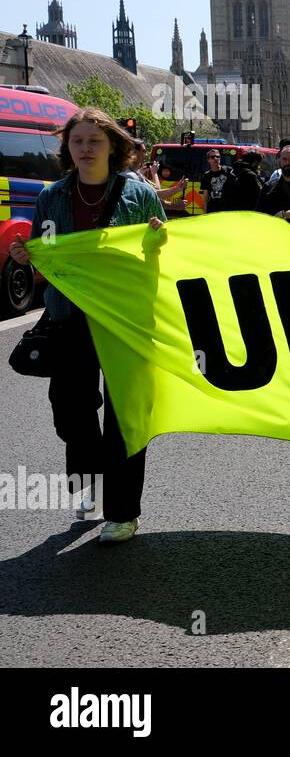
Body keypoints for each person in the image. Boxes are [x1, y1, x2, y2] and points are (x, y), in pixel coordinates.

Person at [7, 107, 166, 543]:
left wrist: (156, 239)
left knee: (124, 418)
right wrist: (28, 255)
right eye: (78, 141)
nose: (85, 148)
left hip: (124, 319)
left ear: (112, 147)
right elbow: (45, 251)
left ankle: (122, 512)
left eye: (95, 141)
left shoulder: (138, 195)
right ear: (68, 147)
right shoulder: (52, 197)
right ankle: (89, 478)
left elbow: (164, 252)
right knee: (72, 412)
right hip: (69, 319)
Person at [200, 148, 234, 214]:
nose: (216, 158)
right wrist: (205, 212)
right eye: (212, 157)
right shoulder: (206, 176)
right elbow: (205, 197)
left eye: (218, 157)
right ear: (208, 160)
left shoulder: (228, 171)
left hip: (228, 209)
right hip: (213, 209)